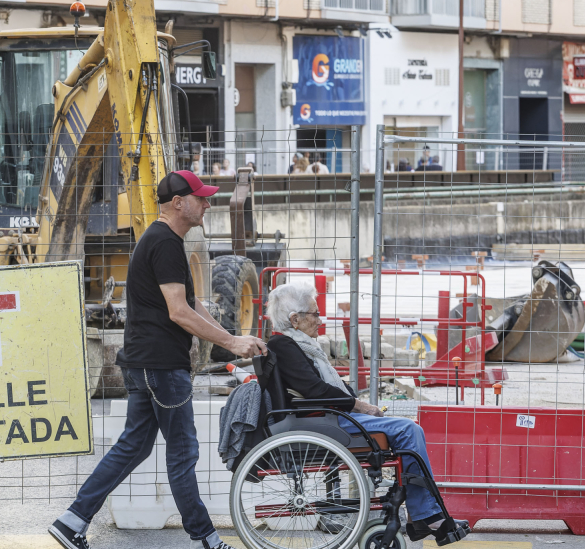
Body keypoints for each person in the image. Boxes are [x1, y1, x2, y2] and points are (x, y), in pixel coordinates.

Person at [51, 171, 266, 549]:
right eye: (201, 198)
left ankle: (72, 521)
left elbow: (195, 304)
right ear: (179, 202)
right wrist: (232, 343)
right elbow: (180, 312)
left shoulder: (165, 240)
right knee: (183, 452)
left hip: (144, 365)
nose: (208, 203)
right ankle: (206, 539)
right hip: (161, 368)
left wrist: (230, 339)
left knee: (133, 446)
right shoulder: (164, 242)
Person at [263, 283, 470, 546]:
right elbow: (314, 389)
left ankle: (423, 513)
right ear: (296, 319)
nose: (320, 319)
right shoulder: (285, 345)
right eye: (315, 314)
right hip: (321, 421)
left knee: (406, 428)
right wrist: (359, 406)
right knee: (409, 430)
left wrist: (355, 402)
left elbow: (319, 387)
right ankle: (426, 515)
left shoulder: (296, 344)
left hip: (324, 417)